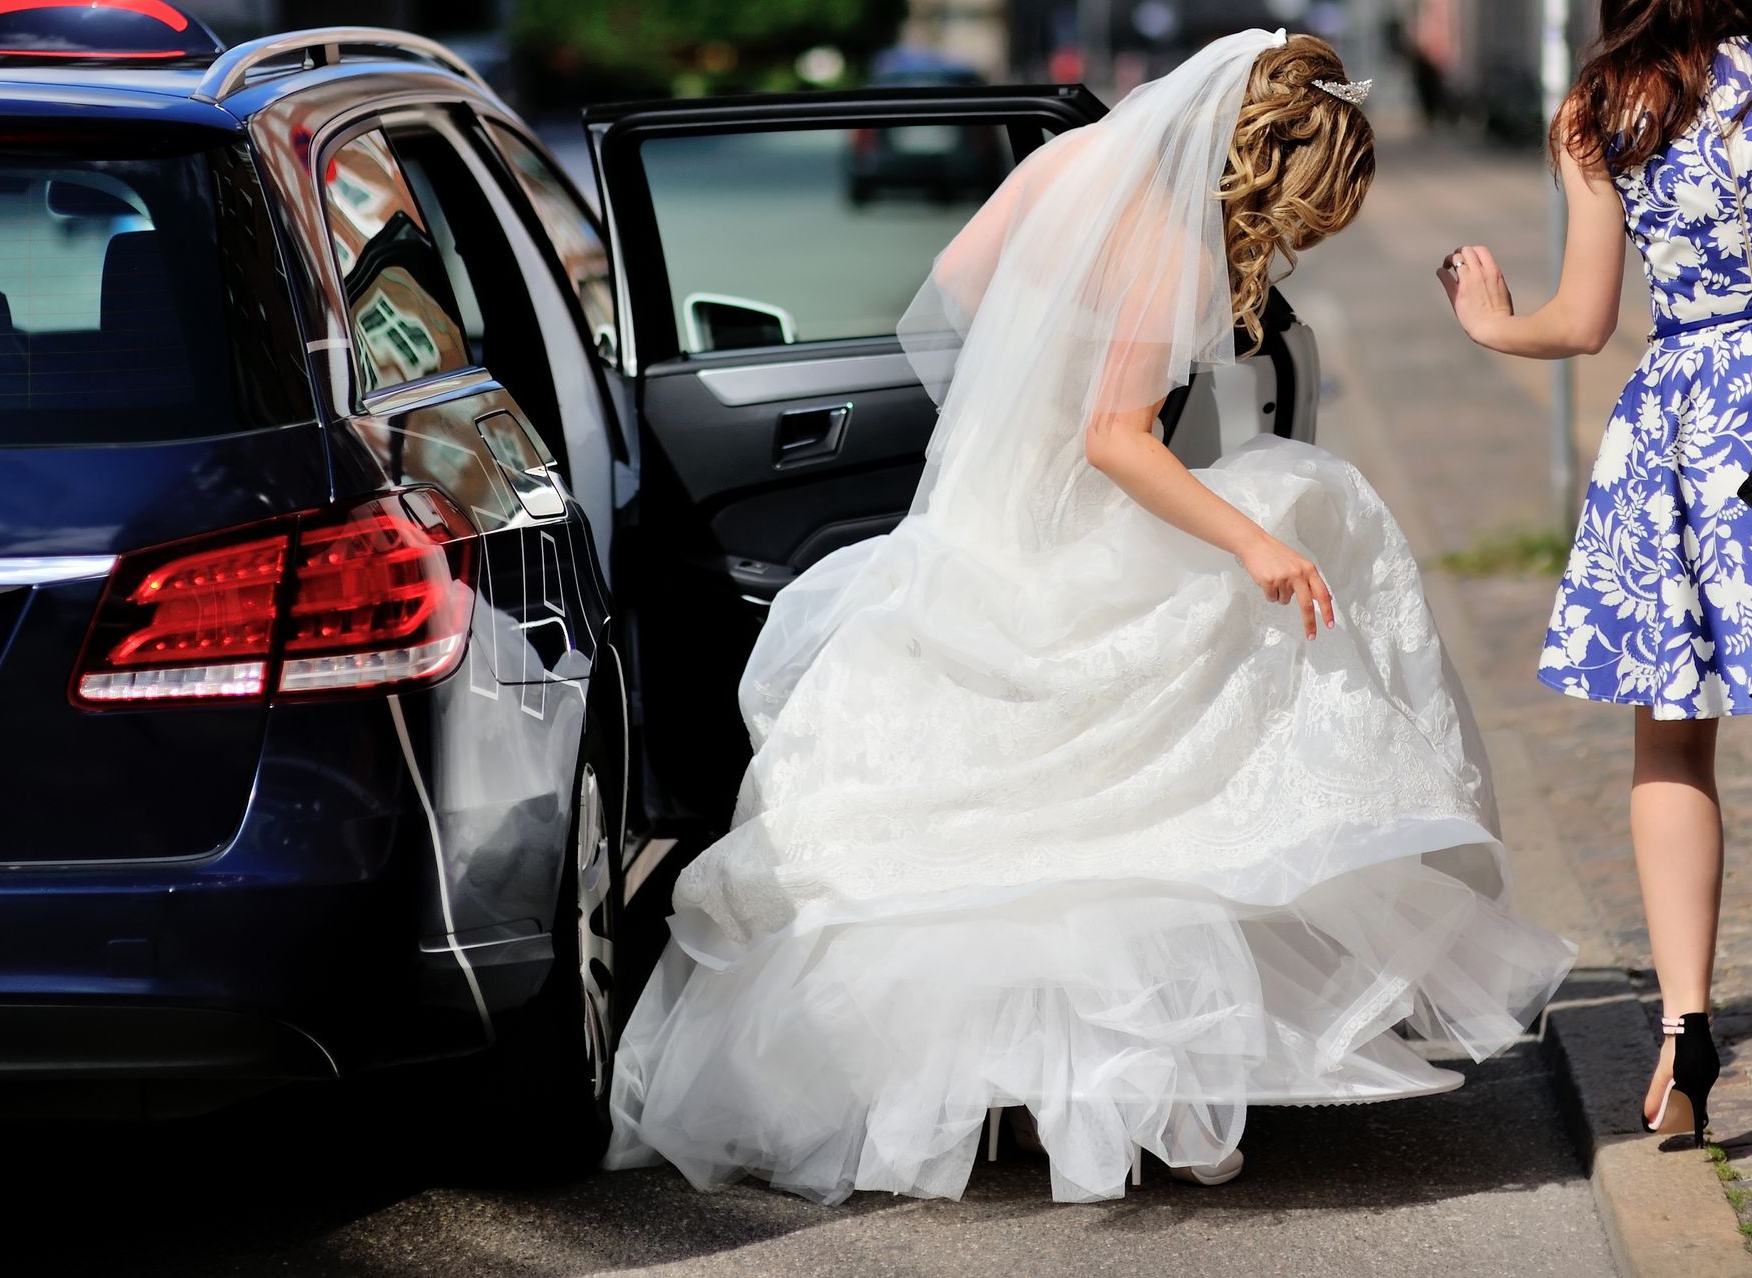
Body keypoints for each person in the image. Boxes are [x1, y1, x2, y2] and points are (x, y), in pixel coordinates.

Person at [604, 29, 1575, 1207]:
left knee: (1003, 816)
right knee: (1308, 528)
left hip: (980, 515)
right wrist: (1248, 539)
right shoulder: (1168, 248)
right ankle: (1122, 1072)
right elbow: (1115, 439)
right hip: (1071, 522)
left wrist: (1042, 349)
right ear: (1273, 172)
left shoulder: (1074, 163)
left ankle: (1011, 1092)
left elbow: (960, 280)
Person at [1439, 0, 1752, 1188]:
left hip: (1688, 431)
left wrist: (1496, 329)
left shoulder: (1600, 108)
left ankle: (1687, 1048)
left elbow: (1587, 321)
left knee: (1672, 739)